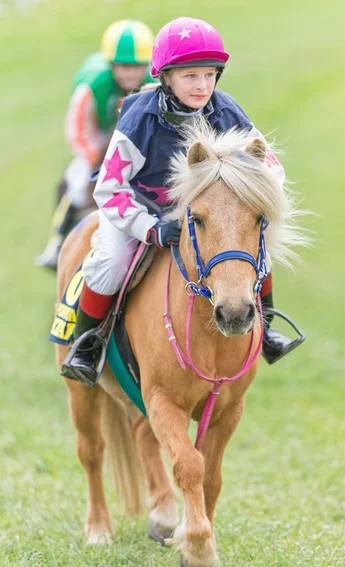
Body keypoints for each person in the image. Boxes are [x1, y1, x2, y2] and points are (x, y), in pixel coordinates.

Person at [60, 16, 305, 385]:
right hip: (138, 212)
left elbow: (271, 169)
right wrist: (151, 229)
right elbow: (109, 188)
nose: (202, 85)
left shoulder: (226, 111)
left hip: (202, 218)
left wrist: (251, 193)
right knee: (109, 261)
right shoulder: (139, 117)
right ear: (166, 76)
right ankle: (87, 344)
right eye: (190, 76)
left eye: (209, 74)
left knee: (255, 253)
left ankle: (266, 330)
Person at [36, 19, 156, 270]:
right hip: (99, 135)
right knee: (76, 182)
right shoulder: (92, 86)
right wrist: (97, 158)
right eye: (123, 66)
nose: (131, 74)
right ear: (110, 64)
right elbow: (77, 129)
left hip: (133, 138)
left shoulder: (153, 83)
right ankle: (56, 241)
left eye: (137, 67)